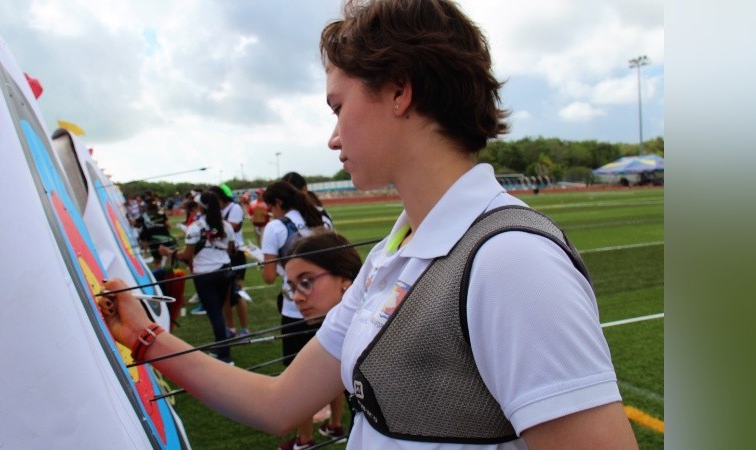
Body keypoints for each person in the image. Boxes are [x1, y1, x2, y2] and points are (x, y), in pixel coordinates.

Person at [100, 1, 638, 448]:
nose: (333, 137)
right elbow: (279, 403)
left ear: (399, 91)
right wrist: (144, 337)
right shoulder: (392, 254)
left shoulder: (509, 260)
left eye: (338, 106)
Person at [277, 231, 361, 449]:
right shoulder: (341, 330)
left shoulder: (372, 332)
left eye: (306, 282)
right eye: (292, 287)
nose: (296, 296)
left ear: (344, 279)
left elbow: (277, 408)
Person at [260, 181, 332, 366]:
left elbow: (268, 277)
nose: (270, 212)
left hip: (296, 308)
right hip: (328, 304)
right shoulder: (323, 218)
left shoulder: (275, 227)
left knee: (299, 373)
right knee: (330, 375)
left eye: (270, 207)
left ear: (278, 202)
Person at [165, 191, 236, 364]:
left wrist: (170, 253)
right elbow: (231, 249)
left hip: (205, 274)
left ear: (199, 207)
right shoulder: (226, 225)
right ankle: (220, 346)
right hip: (225, 270)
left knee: (215, 314)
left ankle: (225, 355)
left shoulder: (195, 227)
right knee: (218, 311)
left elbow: (187, 255)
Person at [208, 185, 252, 338]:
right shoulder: (217, 211)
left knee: (237, 293)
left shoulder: (235, 208)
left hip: (236, 253)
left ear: (219, 198)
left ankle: (245, 329)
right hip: (223, 257)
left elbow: (228, 229)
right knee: (225, 296)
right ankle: (231, 328)